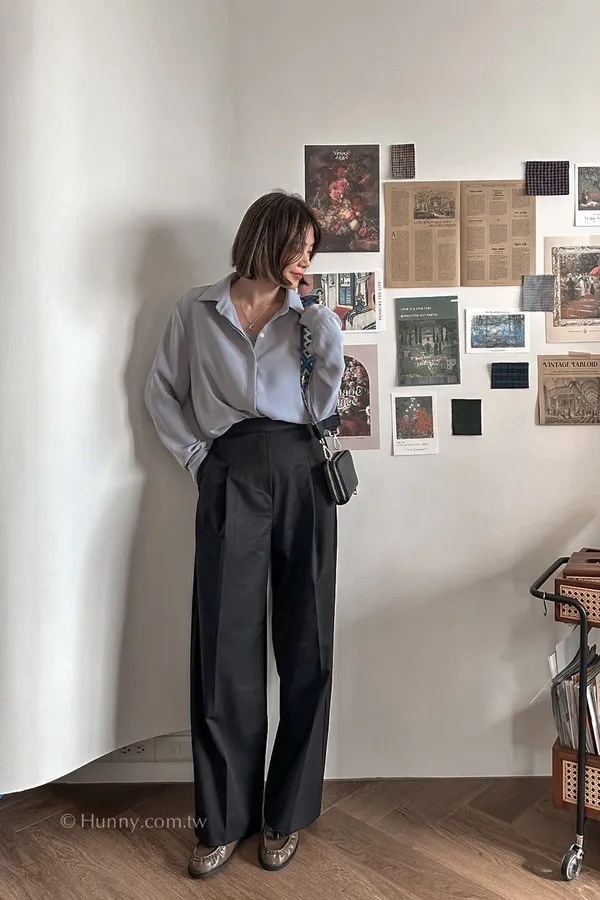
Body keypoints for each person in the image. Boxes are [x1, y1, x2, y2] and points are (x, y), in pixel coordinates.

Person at [144, 191, 345, 879]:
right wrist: (198, 460)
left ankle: (286, 812)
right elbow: (160, 391)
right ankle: (223, 818)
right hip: (228, 471)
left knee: (307, 643)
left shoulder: (307, 316)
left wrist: (318, 320)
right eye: (300, 247)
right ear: (268, 240)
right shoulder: (196, 310)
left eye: (311, 252)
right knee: (224, 648)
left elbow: (325, 404)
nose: (306, 261)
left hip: (302, 471)